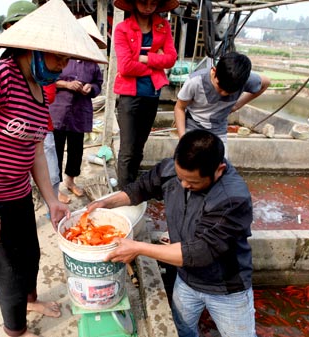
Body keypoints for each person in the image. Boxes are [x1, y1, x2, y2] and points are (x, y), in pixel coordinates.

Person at [0, 0, 107, 336]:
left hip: (18, 195)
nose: (63, 66)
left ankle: (30, 301)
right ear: (32, 49)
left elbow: (35, 148)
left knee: (32, 256)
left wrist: (51, 199)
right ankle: (15, 330)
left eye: (67, 59)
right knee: (8, 271)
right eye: (59, 57)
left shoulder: (38, 88)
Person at [86, 129, 256, 337]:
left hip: (225, 288)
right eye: (180, 178)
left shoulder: (231, 199)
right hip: (186, 279)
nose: (183, 185)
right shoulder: (172, 170)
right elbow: (140, 189)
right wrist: (105, 202)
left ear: (219, 170)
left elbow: (200, 252)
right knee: (183, 330)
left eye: (192, 183)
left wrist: (138, 248)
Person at [113, 0, 179, 189]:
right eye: (143, 1)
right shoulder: (122, 29)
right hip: (129, 95)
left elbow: (171, 59)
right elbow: (125, 67)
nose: (148, 6)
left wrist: (145, 58)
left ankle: (133, 188)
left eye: (153, 2)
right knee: (127, 149)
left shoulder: (162, 26)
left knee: (140, 146)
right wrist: (155, 63)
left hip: (152, 93)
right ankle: (123, 193)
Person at [50, 15, 105, 199]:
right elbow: (48, 80)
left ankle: (70, 181)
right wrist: (66, 85)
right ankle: (55, 187)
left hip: (80, 113)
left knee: (76, 150)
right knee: (55, 149)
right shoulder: (60, 57)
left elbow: (98, 84)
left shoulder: (93, 64)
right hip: (58, 111)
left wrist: (91, 88)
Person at [174, 51, 270, 150]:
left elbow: (266, 83)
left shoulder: (244, 80)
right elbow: (179, 108)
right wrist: (182, 138)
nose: (223, 93)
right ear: (214, 71)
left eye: (230, 91)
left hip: (218, 130)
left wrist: (237, 105)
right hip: (193, 126)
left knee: (221, 162)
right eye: (220, 86)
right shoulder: (195, 81)